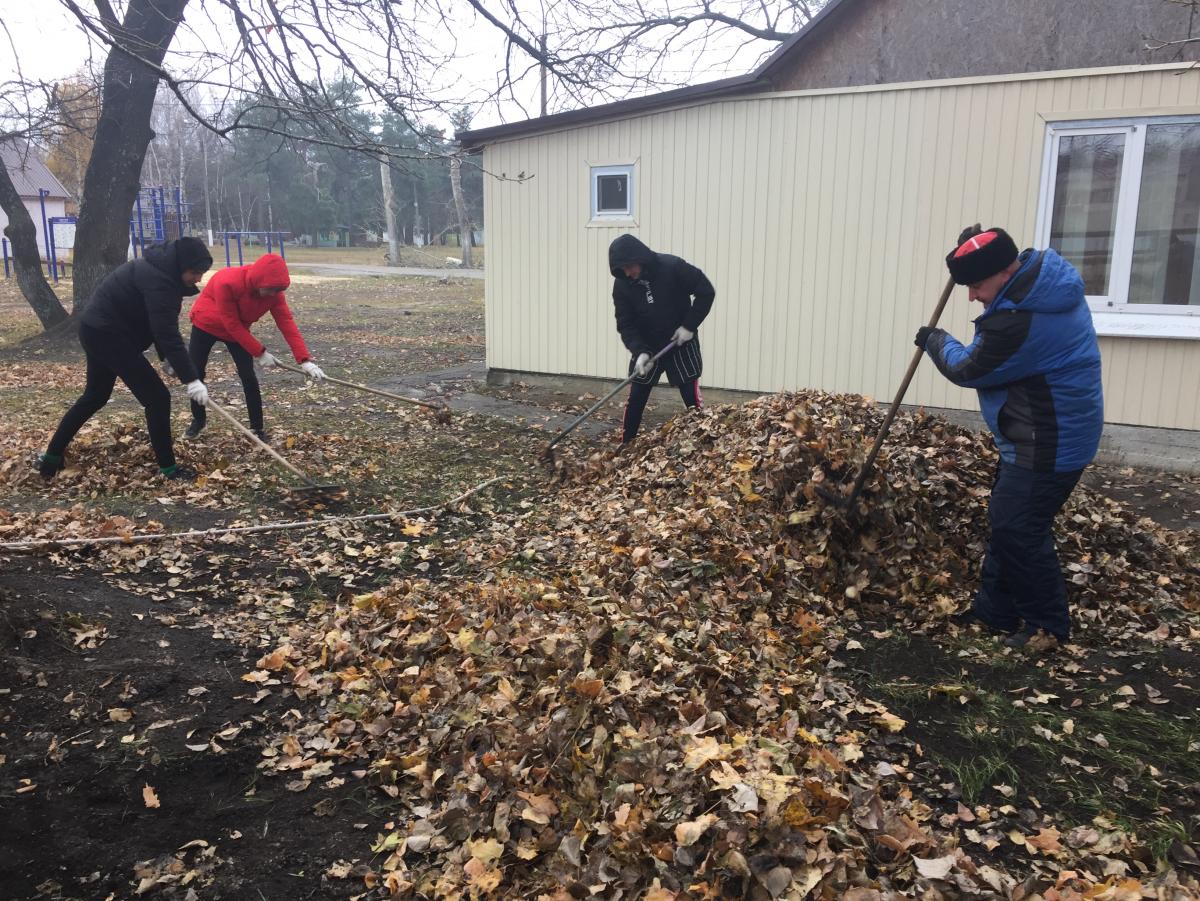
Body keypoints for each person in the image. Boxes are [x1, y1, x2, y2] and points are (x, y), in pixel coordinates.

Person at [915, 227, 1104, 649]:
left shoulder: (1018, 320)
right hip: (1035, 433)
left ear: (1004, 272)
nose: (971, 296)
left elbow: (968, 369)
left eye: (976, 285)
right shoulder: (1040, 286)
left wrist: (935, 340)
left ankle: (1046, 627)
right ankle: (995, 610)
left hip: (1051, 440)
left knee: (1019, 527)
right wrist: (970, 250)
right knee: (1008, 520)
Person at [38, 237, 213, 482]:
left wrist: (169, 360)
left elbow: (156, 323)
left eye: (202, 273)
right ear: (181, 264)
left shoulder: (160, 270)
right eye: (195, 272)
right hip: (109, 335)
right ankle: (169, 470)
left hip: (95, 329)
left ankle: (50, 460)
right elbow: (166, 332)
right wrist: (192, 379)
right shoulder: (159, 281)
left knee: (95, 396)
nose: (198, 279)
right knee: (158, 398)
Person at [183, 252, 325, 442]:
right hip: (206, 324)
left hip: (237, 331)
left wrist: (304, 360)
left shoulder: (274, 294)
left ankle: (256, 428)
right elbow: (231, 322)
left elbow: (286, 323)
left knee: (249, 377)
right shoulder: (228, 281)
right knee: (196, 373)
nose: (273, 295)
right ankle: (198, 421)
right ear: (258, 280)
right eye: (270, 290)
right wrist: (260, 352)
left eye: (277, 290)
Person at [609, 234, 716, 443]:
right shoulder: (622, 285)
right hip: (648, 347)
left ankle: (706, 445)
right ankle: (626, 445)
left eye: (629, 266)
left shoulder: (672, 267)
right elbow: (625, 323)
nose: (627, 273)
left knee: (691, 399)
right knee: (636, 398)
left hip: (681, 341)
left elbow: (706, 292)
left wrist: (688, 326)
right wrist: (639, 351)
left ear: (639, 257)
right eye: (622, 270)